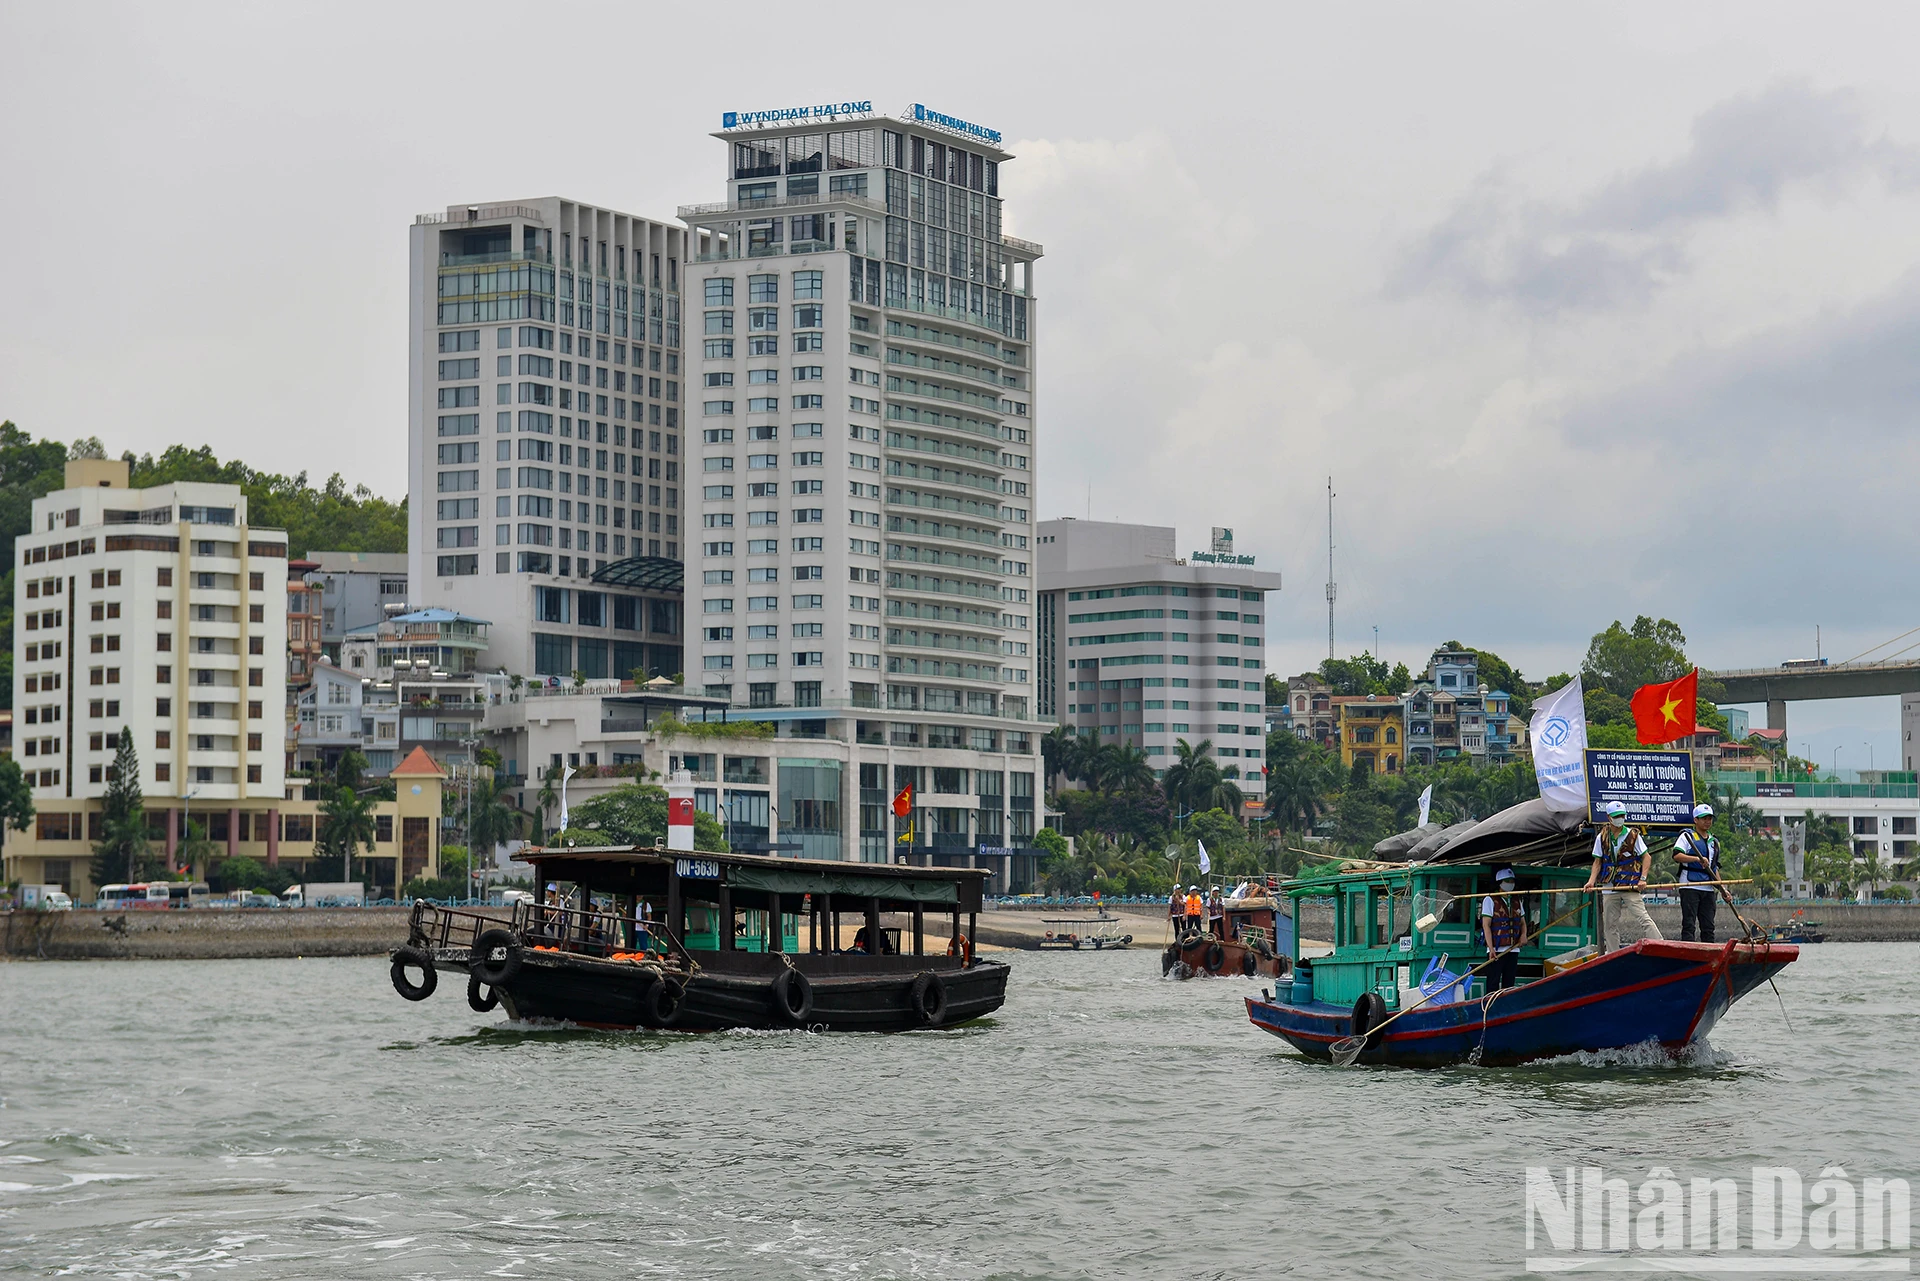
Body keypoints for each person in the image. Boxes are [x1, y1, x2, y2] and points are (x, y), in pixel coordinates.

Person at [1582, 800, 1661, 951]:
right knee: (1609, 923)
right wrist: (1591, 881)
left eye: (1622, 815)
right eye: (1617, 815)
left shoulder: (1633, 835)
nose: (1620, 818)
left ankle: (1659, 944)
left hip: (1629, 883)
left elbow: (1647, 857)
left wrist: (1642, 878)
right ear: (1609, 817)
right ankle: (1612, 953)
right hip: (1609, 885)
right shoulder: (1602, 837)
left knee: (1643, 917)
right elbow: (1597, 862)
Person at [1674, 802, 1720, 943]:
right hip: (1690, 886)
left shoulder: (1714, 841)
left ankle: (1709, 953)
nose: (1707, 821)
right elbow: (1677, 855)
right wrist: (1696, 859)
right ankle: (1688, 951)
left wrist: (1723, 889)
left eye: (1709, 818)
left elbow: (1714, 867)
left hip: (1708, 887)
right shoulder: (1687, 836)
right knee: (1689, 924)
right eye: (1704, 818)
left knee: (1708, 926)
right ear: (1696, 820)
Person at [1479, 867, 1530, 991]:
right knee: (1493, 982)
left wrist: (1524, 935)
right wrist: (1491, 948)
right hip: (1496, 949)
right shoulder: (1490, 899)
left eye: (1512, 881)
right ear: (1500, 883)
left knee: (1509, 984)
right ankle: (1490, 1007)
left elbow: (1522, 923)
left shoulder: (1517, 900)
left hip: (1513, 949)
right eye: (1507, 881)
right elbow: (1486, 925)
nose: (1510, 884)